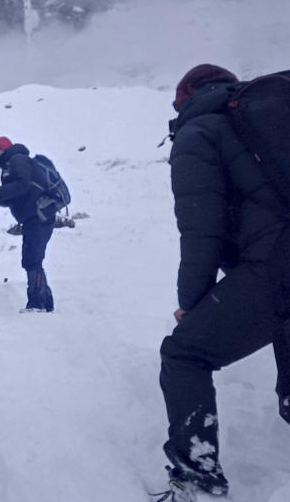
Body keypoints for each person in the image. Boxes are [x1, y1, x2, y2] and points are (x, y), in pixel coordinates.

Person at [157, 63, 289, 498]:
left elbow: (200, 231)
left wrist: (191, 304)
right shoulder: (263, 121)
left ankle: (197, 478)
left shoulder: (200, 133)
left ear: (186, 97)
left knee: (185, 354)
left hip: (277, 264)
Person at [0, 136, 55, 312]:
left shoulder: (17, 159)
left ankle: (36, 304)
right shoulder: (9, 166)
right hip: (34, 217)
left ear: (3, 148)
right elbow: (14, 197)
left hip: (38, 217)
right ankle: (46, 303)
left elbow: (22, 185)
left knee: (32, 259)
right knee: (33, 259)